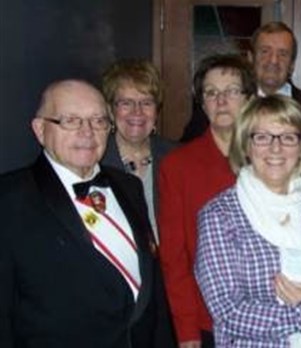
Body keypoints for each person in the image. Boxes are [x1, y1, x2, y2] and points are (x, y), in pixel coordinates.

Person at [0, 80, 175, 347]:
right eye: (71, 120)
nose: (88, 132)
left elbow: (153, 292)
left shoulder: (129, 186)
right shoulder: (9, 200)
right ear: (40, 129)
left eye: (98, 121)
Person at [194, 95, 301, 347]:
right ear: (246, 146)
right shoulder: (219, 215)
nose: (275, 148)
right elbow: (228, 312)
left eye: (288, 137)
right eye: (262, 137)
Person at [158, 54, 256, 348]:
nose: (221, 100)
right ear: (202, 104)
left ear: (249, 99)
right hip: (208, 320)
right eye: (211, 93)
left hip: (272, 315)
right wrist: (187, 330)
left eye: (231, 91)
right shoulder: (177, 166)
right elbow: (174, 259)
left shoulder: (274, 156)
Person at [180, 21, 301, 142]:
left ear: (292, 64)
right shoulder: (219, 104)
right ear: (250, 58)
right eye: (265, 51)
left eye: (282, 54)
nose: (273, 61)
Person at [101, 59, 177, 244]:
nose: (137, 112)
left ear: (157, 110)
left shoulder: (177, 158)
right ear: (111, 111)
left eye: (146, 102)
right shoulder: (94, 160)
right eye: (126, 103)